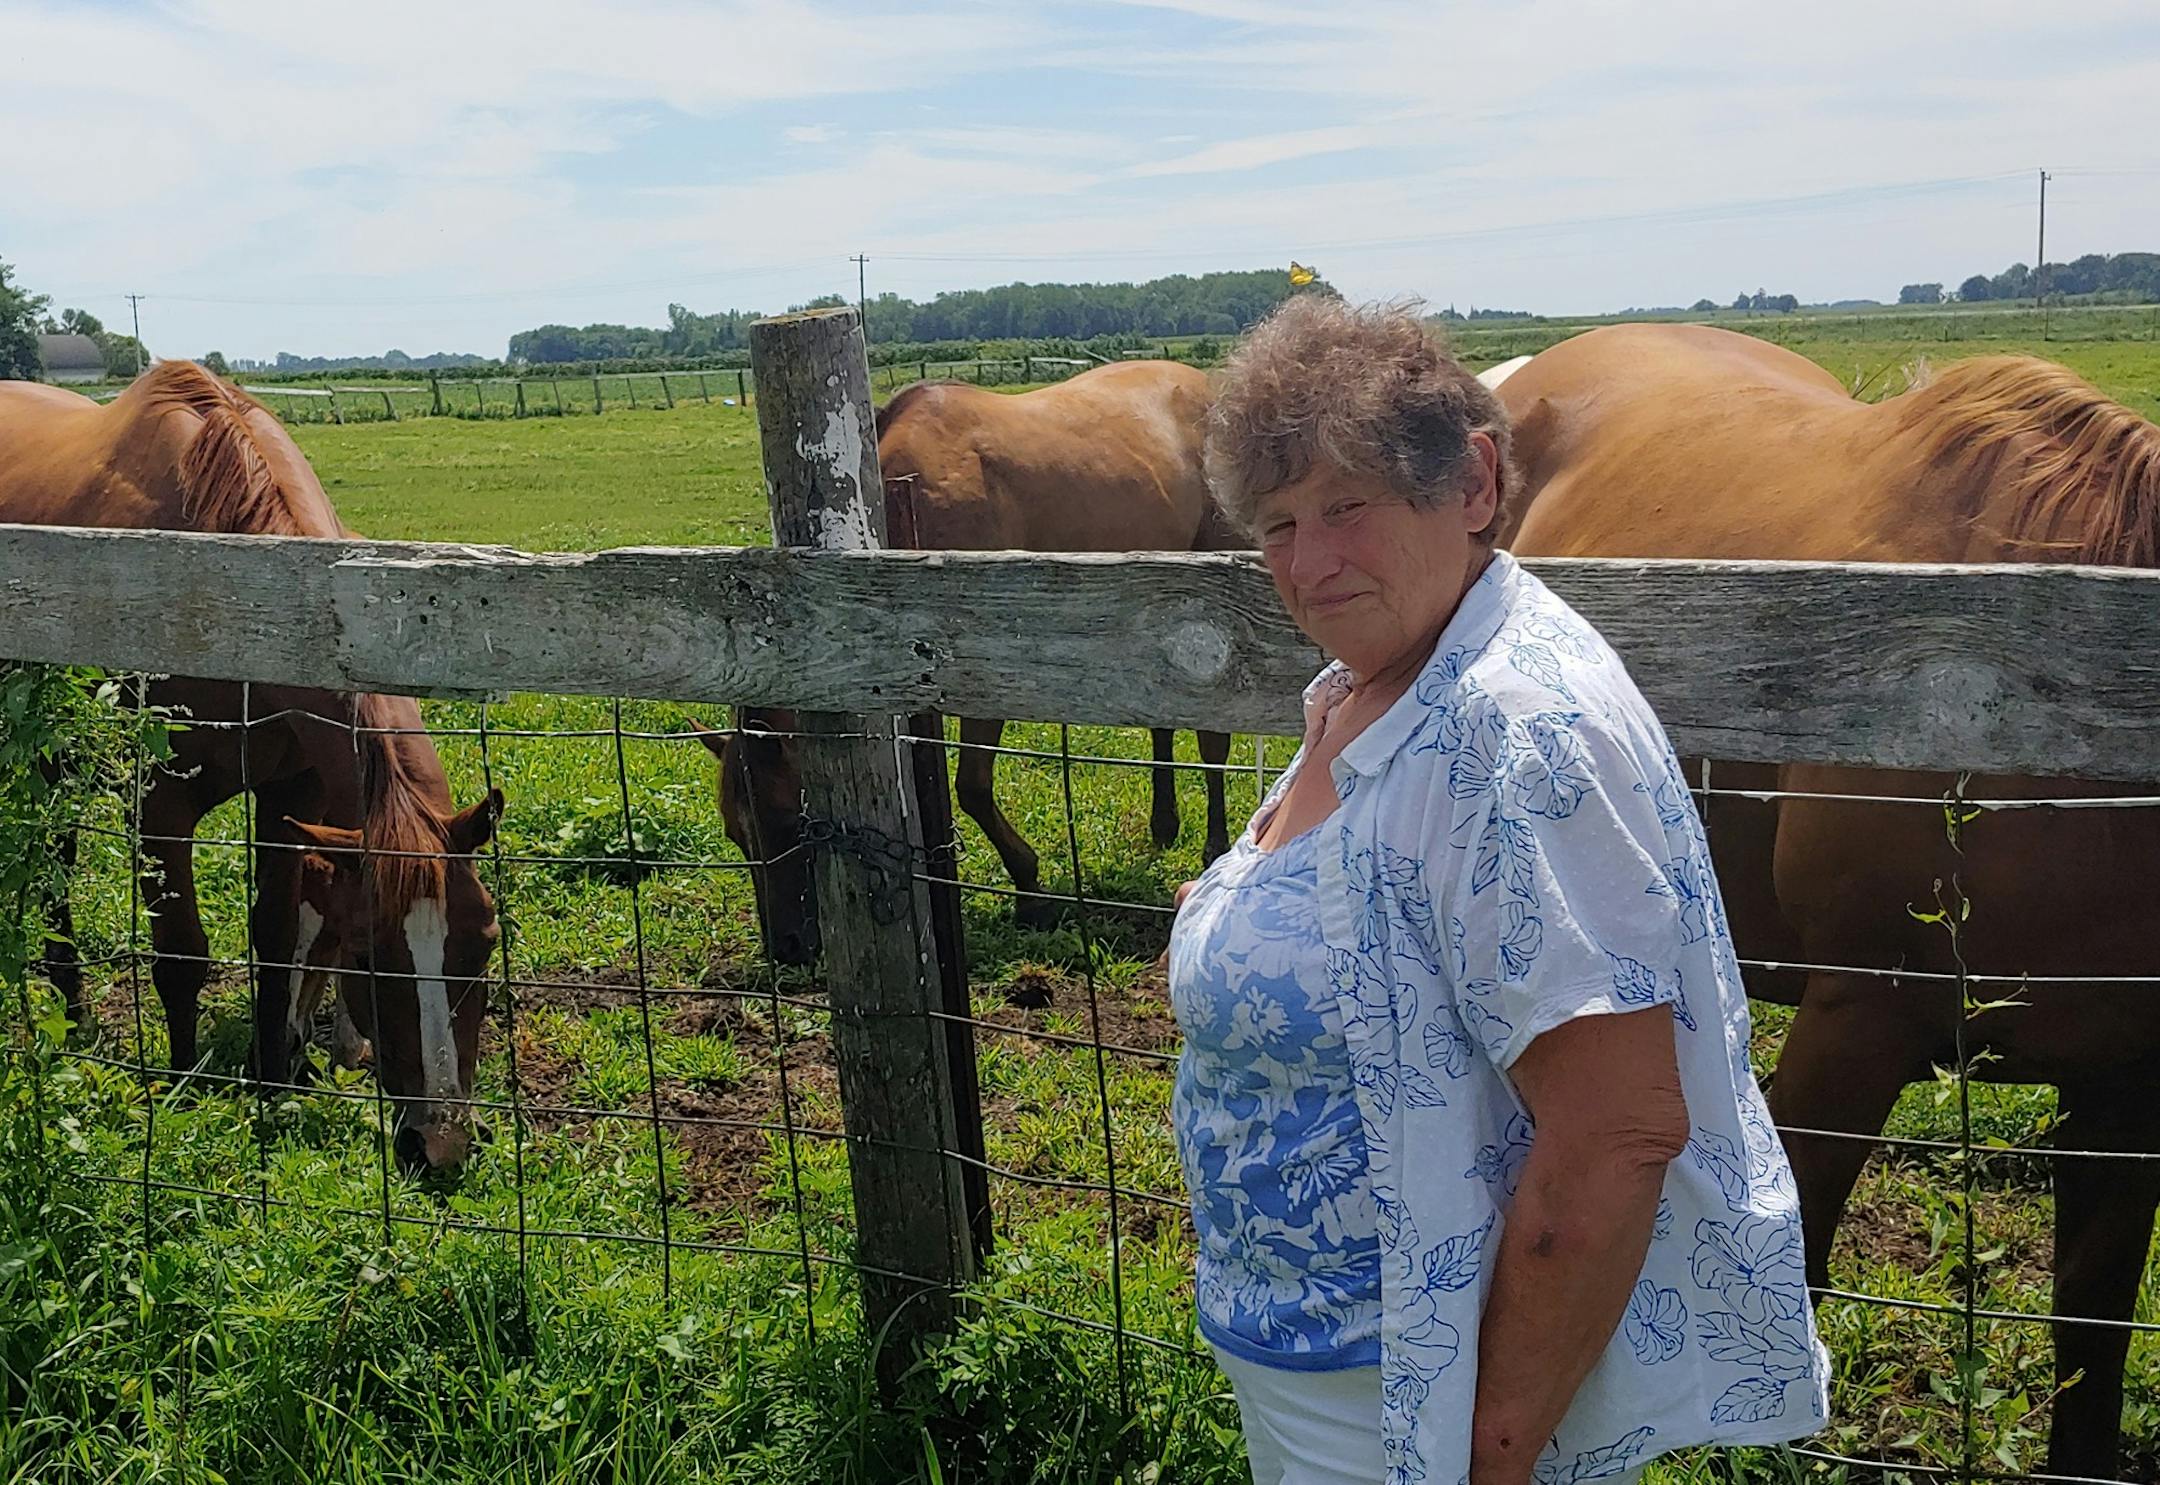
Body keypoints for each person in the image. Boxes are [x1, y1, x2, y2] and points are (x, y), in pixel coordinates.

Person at [1165, 296, 1830, 1485]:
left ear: (1473, 485)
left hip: (1413, 1394)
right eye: (1275, 525)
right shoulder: (1374, 685)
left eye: (1347, 506)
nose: (1309, 565)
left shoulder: (1513, 733)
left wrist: (1497, 1444)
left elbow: (1616, 1131)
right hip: (1317, 1359)